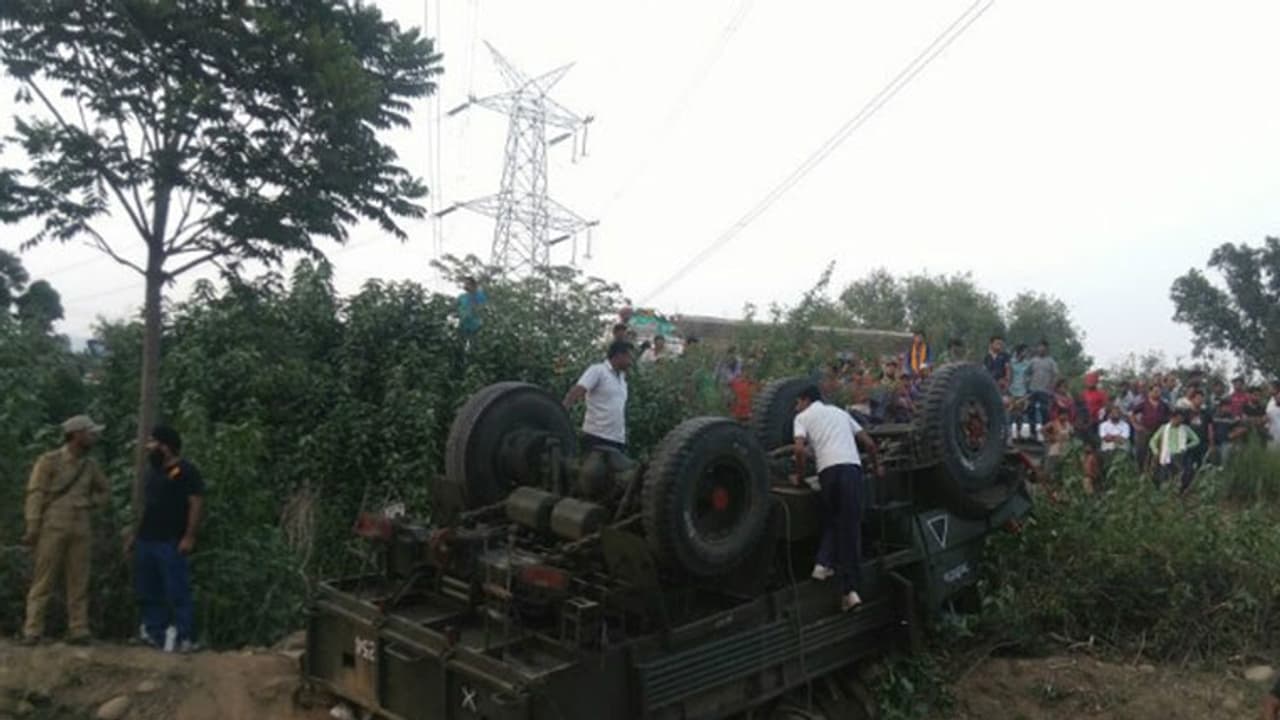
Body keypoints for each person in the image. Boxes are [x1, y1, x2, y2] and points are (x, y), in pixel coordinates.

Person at [790, 385, 882, 612]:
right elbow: (869, 444)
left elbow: (799, 451)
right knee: (850, 527)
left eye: (796, 402)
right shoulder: (841, 413)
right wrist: (877, 467)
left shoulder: (802, 417)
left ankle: (823, 564)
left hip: (827, 473)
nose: (795, 407)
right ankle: (850, 591)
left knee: (834, 518)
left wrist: (799, 477)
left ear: (804, 400)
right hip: (851, 469)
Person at [21, 415, 110, 645]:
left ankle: (78, 628)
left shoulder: (90, 466)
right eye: (90, 433)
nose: (94, 437)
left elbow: (105, 492)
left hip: (81, 526)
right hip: (53, 525)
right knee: (44, 579)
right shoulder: (49, 461)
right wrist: (32, 526)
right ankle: (32, 629)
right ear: (76, 434)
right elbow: (36, 494)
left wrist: (90, 503)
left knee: (79, 580)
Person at [129, 425, 205, 652]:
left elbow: (196, 504)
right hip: (147, 539)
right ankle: (154, 633)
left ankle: (185, 637)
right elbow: (146, 507)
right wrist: (135, 535)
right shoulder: (153, 472)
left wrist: (189, 536)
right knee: (148, 589)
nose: (148, 447)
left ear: (166, 446)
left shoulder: (186, 471)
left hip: (171, 540)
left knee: (177, 590)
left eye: (152, 442)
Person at [564, 341, 633, 452]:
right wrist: (562, 412)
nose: (631, 362)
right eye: (629, 358)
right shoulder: (598, 371)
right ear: (619, 355)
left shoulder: (622, 378)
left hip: (617, 439)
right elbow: (577, 391)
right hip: (596, 437)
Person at [1148, 412, 1199, 492]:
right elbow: (1152, 441)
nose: (1179, 421)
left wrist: (1186, 447)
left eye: (1181, 419)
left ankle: (1177, 491)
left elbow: (1196, 440)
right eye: (1178, 419)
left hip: (1180, 455)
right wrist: (1156, 452)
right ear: (1172, 418)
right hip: (1166, 456)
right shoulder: (1164, 428)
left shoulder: (1185, 429)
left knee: (1179, 475)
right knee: (1165, 476)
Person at [1130, 385, 1170, 472]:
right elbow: (1132, 413)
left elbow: (1170, 416)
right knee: (1142, 451)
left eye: (1159, 391)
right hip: (1145, 431)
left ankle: (1155, 472)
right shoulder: (1144, 403)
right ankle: (1141, 471)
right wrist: (1136, 425)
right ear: (1150, 392)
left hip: (1159, 432)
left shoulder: (1164, 404)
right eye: (1155, 391)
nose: (1157, 393)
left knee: (1157, 452)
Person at [1026, 340, 1058, 440]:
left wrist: (1051, 387)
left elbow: (1055, 375)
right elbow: (1027, 373)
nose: (1041, 349)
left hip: (1045, 391)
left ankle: (1046, 434)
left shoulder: (1051, 361)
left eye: (1043, 348)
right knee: (1031, 410)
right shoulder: (1033, 360)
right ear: (1037, 348)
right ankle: (1032, 433)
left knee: (1044, 412)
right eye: (1039, 347)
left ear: (1047, 349)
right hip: (1033, 390)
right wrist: (1027, 383)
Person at [1008, 344, 1032, 439]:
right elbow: (1009, 376)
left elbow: (1029, 378)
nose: (1025, 353)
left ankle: (1023, 435)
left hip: (1023, 392)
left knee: (1022, 414)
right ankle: (1010, 435)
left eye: (1026, 352)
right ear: (1019, 352)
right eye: (1024, 351)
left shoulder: (1027, 364)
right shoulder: (1011, 362)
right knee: (1011, 413)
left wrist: (1028, 392)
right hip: (1012, 391)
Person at [1043, 412, 1074, 482]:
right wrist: (1050, 437)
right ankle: (1050, 478)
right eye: (1063, 415)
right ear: (1059, 415)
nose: (1065, 417)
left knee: (1063, 463)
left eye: (1066, 415)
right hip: (1056, 446)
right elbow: (1043, 430)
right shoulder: (1053, 423)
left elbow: (1072, 433)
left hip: (1066, 447)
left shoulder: (1068, 424)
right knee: (1053, 463)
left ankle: (1061, 478)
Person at [1267, 381, 1280, 451]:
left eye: (1270, 387)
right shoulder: (1270, 400)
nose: (1268, 389)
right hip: (1272, 431)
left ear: (1276, 388)